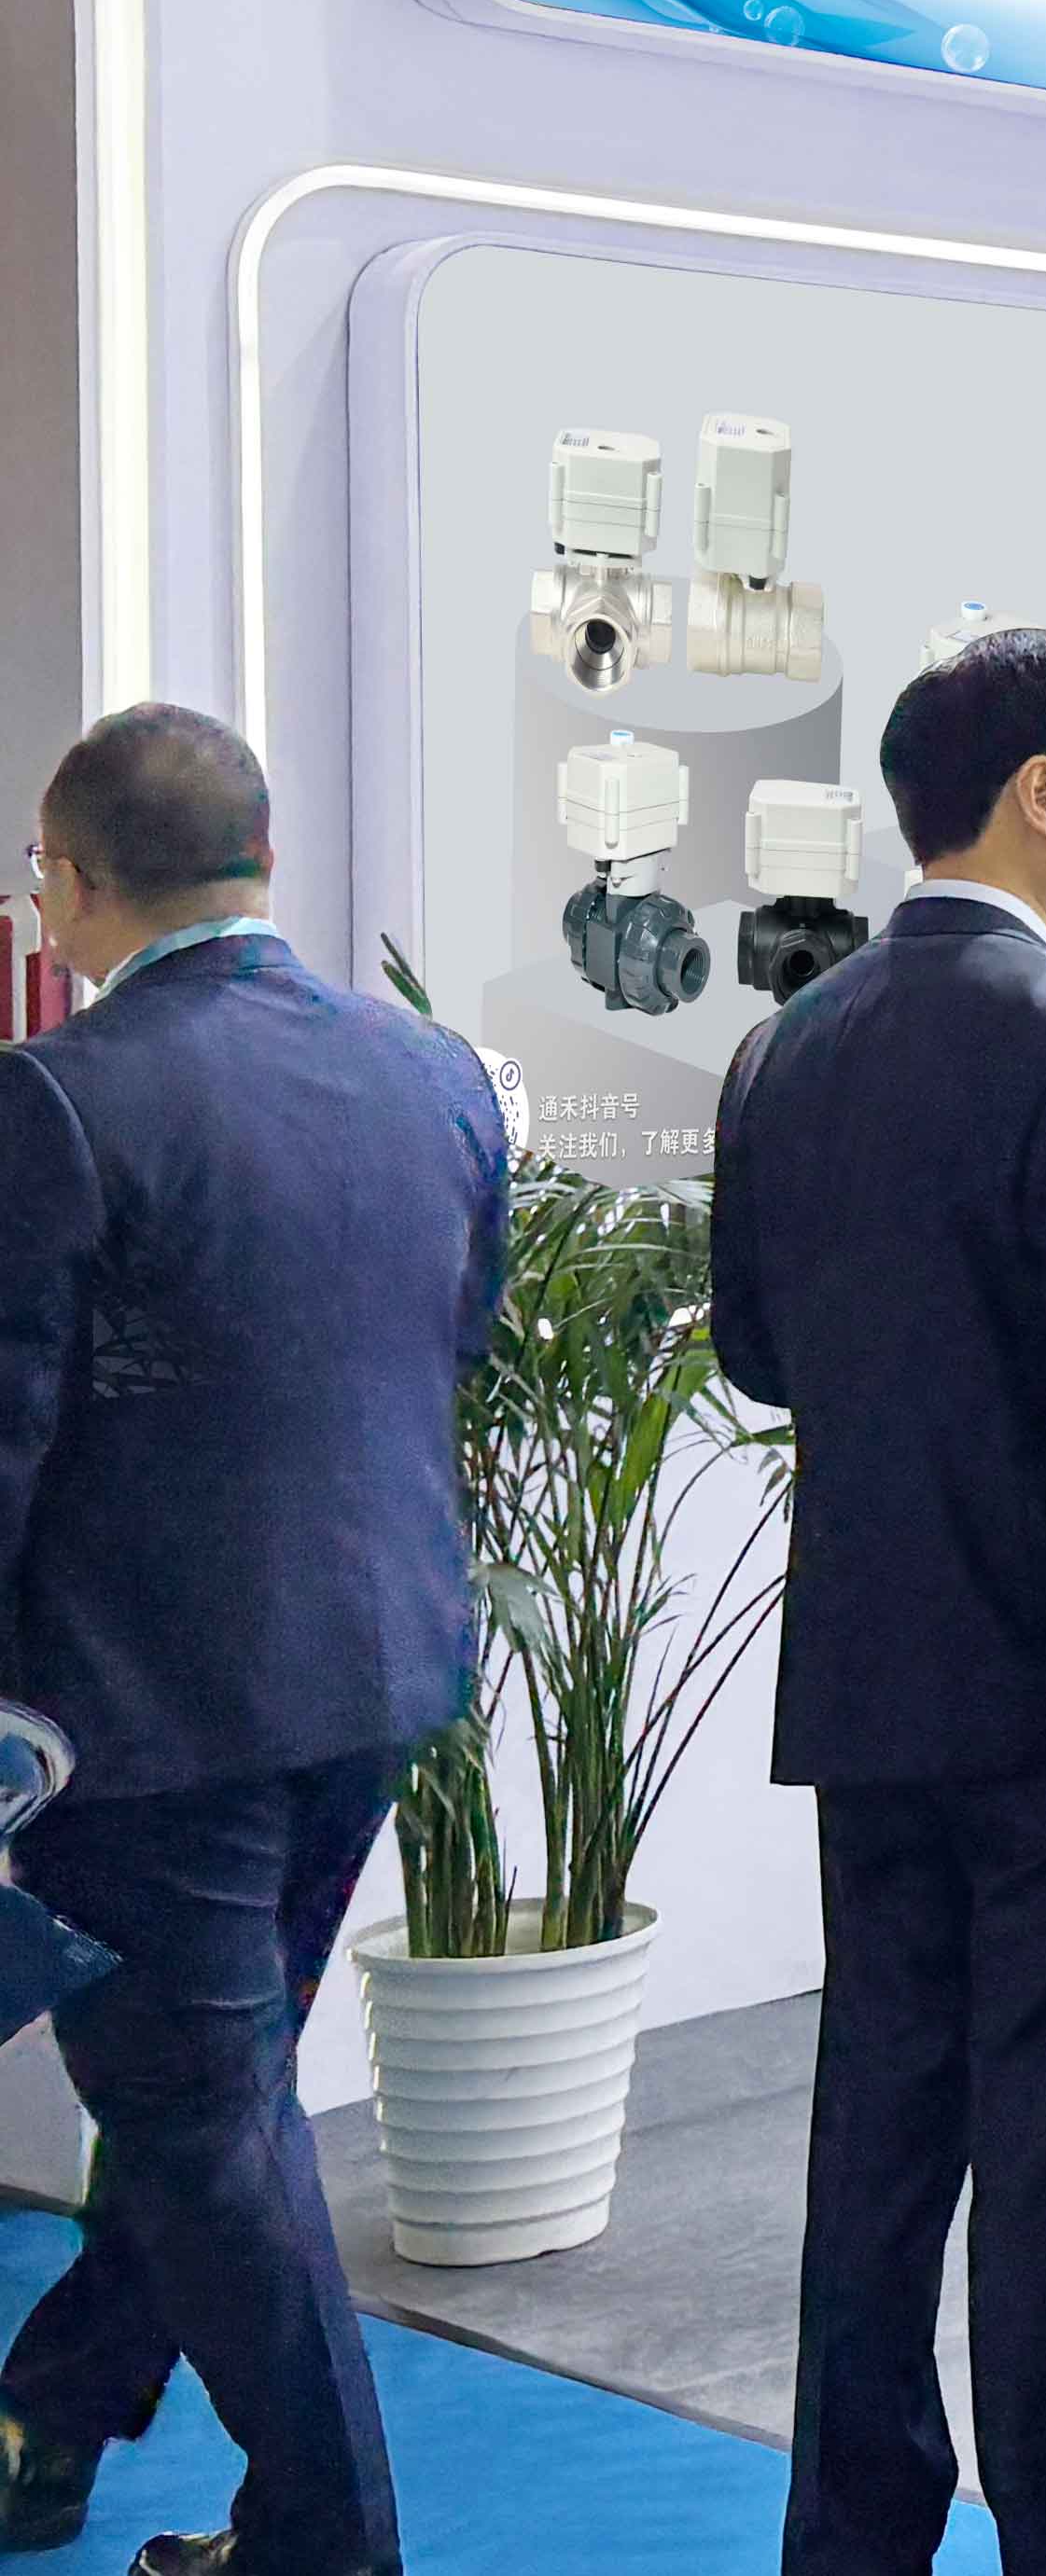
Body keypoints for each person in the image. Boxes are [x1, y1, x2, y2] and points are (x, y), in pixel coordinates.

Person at [711, 628, 1046, 2576]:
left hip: (869, 1685)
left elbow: (759, 1353)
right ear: (1041, 792)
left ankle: (850, 2544)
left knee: (879, 2148)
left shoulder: (787, 1043)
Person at [0, 707, 503, 2576]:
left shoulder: (59, 1096)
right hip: (374, 1675)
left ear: (70, 885)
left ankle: (327, 2543)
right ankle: (48, 2421)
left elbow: (6, 1435)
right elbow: (451, 1343)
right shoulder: (432, 1074)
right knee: (209, 2098)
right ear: (265, 861)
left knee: (201, 2116)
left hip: (140, 1718)